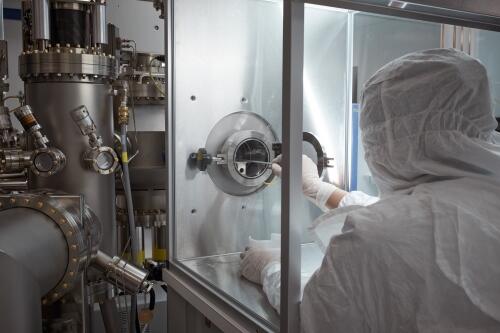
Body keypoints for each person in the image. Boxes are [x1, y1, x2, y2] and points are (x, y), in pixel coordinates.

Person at [239, 48, 500, 332]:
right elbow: (426, 216)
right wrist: (318, 189)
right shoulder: (485, 190)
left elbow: (313, 320)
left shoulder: (375, 239)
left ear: (389, 136)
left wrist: (272, 269)